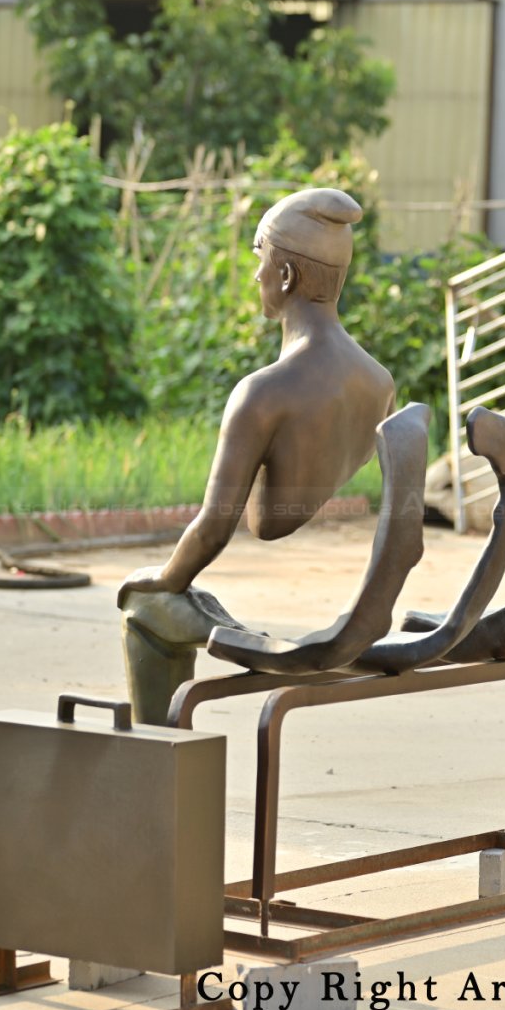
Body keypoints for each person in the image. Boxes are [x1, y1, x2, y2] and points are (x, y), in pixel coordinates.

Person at [117, 188, 395, 723]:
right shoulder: (381, 383)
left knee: (145, 608)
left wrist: (163, 579)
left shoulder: (262, 393)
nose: (254, 276)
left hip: (322, 640)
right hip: (362, 619)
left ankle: (158, 754)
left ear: (286, 276)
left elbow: (215, 529)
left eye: (259, 258)